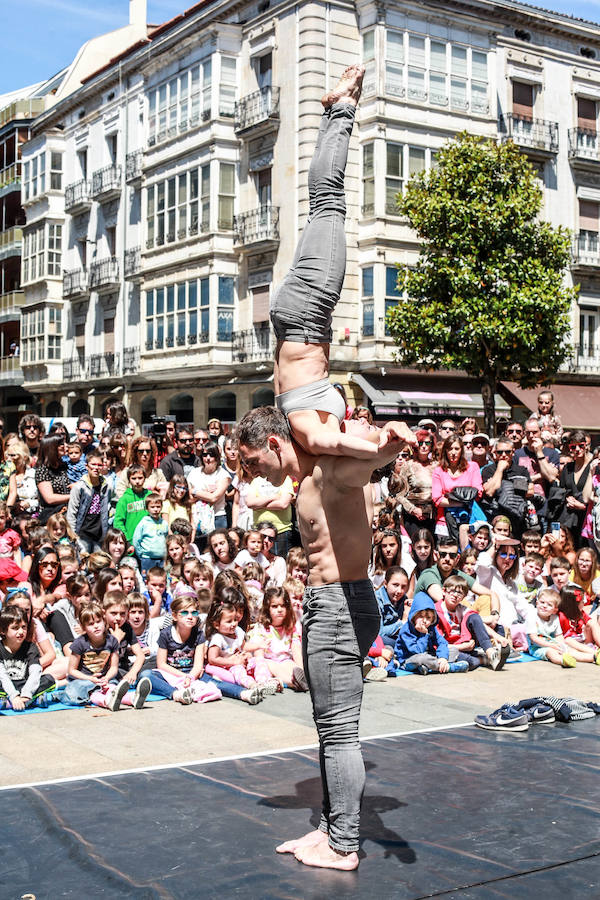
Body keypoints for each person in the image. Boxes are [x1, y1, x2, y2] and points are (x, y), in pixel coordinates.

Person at [236, 404, 412, 870]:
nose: (252, 471)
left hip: (340, 605)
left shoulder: (332, 470)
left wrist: (389, 439)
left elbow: (371, 459)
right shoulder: (306, 477)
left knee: (339, 734)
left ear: (275, 444)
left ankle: (344, 845)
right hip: (330, 603)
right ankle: (330, 831)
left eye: (253, 461)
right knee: (328, 731)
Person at [269, 64, 380, 461]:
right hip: (292, 317)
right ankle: (335, 110)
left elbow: (325, 443)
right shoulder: (295, 417)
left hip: (306, 315)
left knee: (329, 200)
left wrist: (380, 447)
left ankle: (344, 106)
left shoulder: (306, 429)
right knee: (321, 204)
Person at [390, 592, 469, 675]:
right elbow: (418, 651)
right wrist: (423, 634)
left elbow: (442, 642)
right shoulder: (406, 630)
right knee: (421, 659)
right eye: (420, 616)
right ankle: (449, 668)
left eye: (428, 618)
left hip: (430, 656)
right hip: (409, 660)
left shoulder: (431, 628)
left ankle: (430, 666)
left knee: (453, 650)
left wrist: (443, 658)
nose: (424, 620)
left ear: (433, 619)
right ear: (413, 615)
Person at [0, 606, 56, 710]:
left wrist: (26, 694)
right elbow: (2, 676)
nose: (21, 632)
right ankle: (31, 701)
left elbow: (35, 671)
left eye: (23, 627)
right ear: (3, 631)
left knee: (48, 680)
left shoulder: (30, 647)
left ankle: (16, 702)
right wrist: (14, 696)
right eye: (15, 628)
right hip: (5, 686)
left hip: (25, 685)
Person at [431, 436, 482, 548]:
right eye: (450, 449)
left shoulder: (472, 467)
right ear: (445, 451)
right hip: (445, 521)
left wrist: (451, 499)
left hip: (470, 519)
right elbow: (437, 499)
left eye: (456, 449)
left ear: (462, 450)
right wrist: (463, 502)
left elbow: (478, 492)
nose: (453, 452)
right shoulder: (439, 471)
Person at [66, 448, 111, 555]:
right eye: (93, 464)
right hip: (82, 533)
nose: (96, 468)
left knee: (99, 562)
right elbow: (72, 513)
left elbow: (113, 502)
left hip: (99, 534)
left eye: (99, 465)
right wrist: (73, 537)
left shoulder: (107, 486)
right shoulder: (79, 487)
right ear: (86, 466)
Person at [525, 589, 578, 668]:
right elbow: (534, 638)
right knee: (551, 653)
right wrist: (551, 646)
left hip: (552, 643)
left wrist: (562, 646)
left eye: (549, 605)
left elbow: (559, 636)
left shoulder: (555, 618)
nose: (544, 606)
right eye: (542, 602)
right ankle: (563, 661)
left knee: (569, 649)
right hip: (537, 647)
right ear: (537, 603)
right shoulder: (532, 616)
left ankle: (592, 656)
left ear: (554, 610)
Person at [35, 434, 71, 525]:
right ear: (52, 448)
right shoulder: (42, 470)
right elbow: (49, 498)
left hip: (68, 515)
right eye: (61, 444)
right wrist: (74, 496)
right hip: (51, 518)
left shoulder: (64, 466)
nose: (65, 446)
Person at [132, 492, 168, 574]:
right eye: (152, 507)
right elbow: (136, 539)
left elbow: (166, 538)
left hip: (161, 558)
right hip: (147, 559)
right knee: (147, 579)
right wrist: (141, 553)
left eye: (158, 507)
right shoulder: (144, 523)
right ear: (147, 508)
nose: (155, 509)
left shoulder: (164, 523)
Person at [113, 465, 151, 542]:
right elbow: (118, 522)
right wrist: (126, 540)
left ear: (145, 478)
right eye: (134, 478)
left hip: (148, 541)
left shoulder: (149, 496)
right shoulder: (124, 499)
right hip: (130, 541)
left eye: (140, 478)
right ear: (129, 480)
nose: (137, 481)